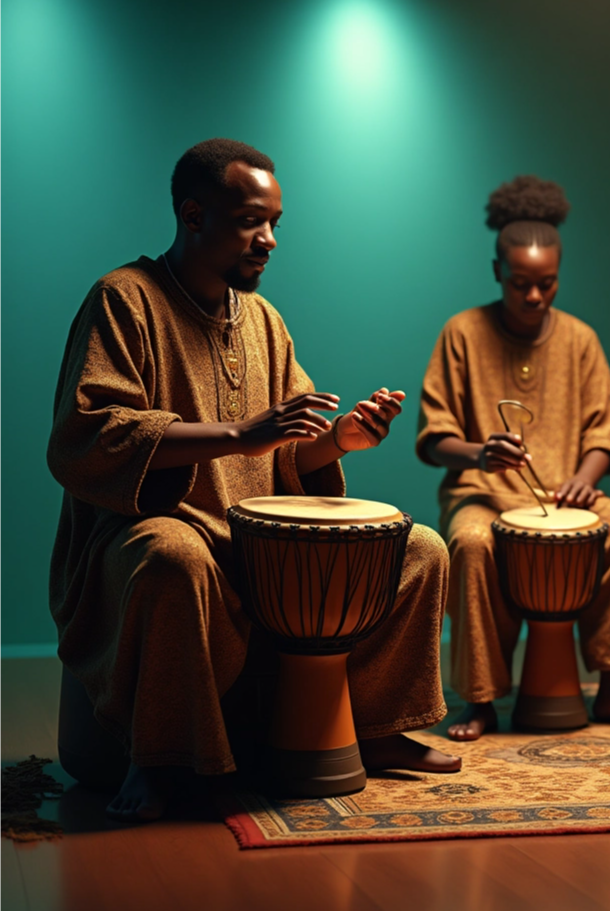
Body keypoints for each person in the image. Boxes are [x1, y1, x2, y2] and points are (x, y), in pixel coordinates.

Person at [48, 138, 460, 822]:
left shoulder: (264, 320)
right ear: (193, 215)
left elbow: (287, 453)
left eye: (273, 222)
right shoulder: (124, 299)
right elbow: (88, 435)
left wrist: (339, 438)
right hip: (150, 542)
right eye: (248, 221)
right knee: (173, 557)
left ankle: (379, 729)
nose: (267, 239)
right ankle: (159, 759)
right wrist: (240, 435)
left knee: (417, 547)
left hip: (254, 550)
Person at [417, 175, 610, 741]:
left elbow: (606, 433)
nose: (534, 296)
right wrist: (480, 454)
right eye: (521, 283)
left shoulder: (580, 339)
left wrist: (583, 478)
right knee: (473, 543)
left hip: (568, 498)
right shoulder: (461, 333)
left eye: (548, 284)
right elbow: (435, 440)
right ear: (496, 272)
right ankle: (479, 700)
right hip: (481, 496)